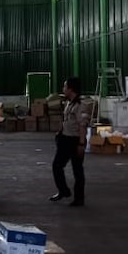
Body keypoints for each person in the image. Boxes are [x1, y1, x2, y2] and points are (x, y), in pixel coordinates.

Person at [49, 77, 90, 207]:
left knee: (77, 170)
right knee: (57, 166)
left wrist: (81, 144)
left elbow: (82, 125)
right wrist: (60, 132)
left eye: (65, 87)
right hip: (65, 139)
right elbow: (66, 120)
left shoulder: (80, 105)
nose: (63, 89)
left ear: (71, 89)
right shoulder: (68, 103)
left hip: (75, 140)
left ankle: (79, 198)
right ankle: (63, 191)